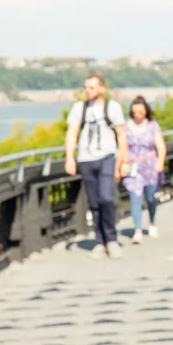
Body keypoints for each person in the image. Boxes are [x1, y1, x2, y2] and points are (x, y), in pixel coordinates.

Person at [64, 74, 128, 259]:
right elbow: (72, 133)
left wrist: (123, 161)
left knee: (106, 198)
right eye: (86, 87)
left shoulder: (112, 107)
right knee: (94, 202)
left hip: (107, 157)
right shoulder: (79, 108)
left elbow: (122, 135)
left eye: (92, 87)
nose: (88, 91)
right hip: (86, 159)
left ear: (102, 88)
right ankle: (100, 241)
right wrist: (70, 157)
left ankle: (111, 239)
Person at [121, 95, 166, 245]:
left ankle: (152, 222)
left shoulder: (153, 126)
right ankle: (138, 230)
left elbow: (161, 146)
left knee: (150, 197)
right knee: (135, 197)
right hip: (133, 166)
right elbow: (123, 147)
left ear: (145, 111)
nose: (137, 115)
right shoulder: (126, 127)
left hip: (150, 165)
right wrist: (123, 163)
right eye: (135, 112)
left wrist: (160, 161)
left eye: (140, 112)